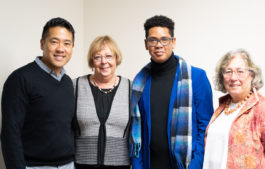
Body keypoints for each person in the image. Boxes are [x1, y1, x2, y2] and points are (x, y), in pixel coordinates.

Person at [129, 15, 214, 169]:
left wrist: (195, 165)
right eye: (153, 40)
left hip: (186, 165)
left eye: (164, 39)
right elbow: (137, 130)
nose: (158, 45)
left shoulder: (196, 77)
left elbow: (206, 128)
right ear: (146, 44)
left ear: (173, 42)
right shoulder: (139, 83)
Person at [1, 17, 76, 169]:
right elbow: (10, 133)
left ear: (72, 47)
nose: (61, 49)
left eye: (67, 43)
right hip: (34, 166)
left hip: (68, 165)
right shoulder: (20, 79)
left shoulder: (68, 82)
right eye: (54, 41)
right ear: (42, 43)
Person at [203, 49, 265, 169]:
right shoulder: (221, 108)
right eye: (228, 71)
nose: (233, 77)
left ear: (251, 75)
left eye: (240, 71)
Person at [73, 35, 131, 169]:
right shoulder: (75, 86)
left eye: (109, 56)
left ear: (116, 59)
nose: (104, 61)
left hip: (120, 164)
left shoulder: (130, 88)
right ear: (92, 61)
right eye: (97, 57)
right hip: (82, 164)